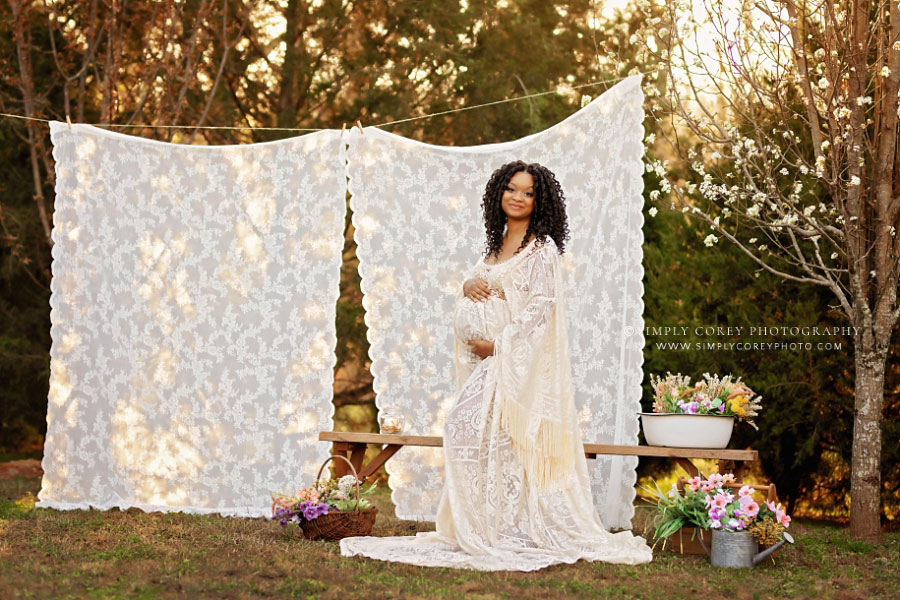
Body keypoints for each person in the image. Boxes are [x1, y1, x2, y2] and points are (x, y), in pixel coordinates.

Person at [340, 160, 653, 571]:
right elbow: (480, 287)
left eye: (527, 192)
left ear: (539, 201)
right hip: (488, 363)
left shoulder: (541, 250)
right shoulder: (496, 245)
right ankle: (488, 524)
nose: (518, 197)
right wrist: (467, 285)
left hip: (512, 367)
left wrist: (500, 346)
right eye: (511, 188)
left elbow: (541, 310)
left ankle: (505, 528)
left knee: (472, 433)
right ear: (498, 194)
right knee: (480, 440)